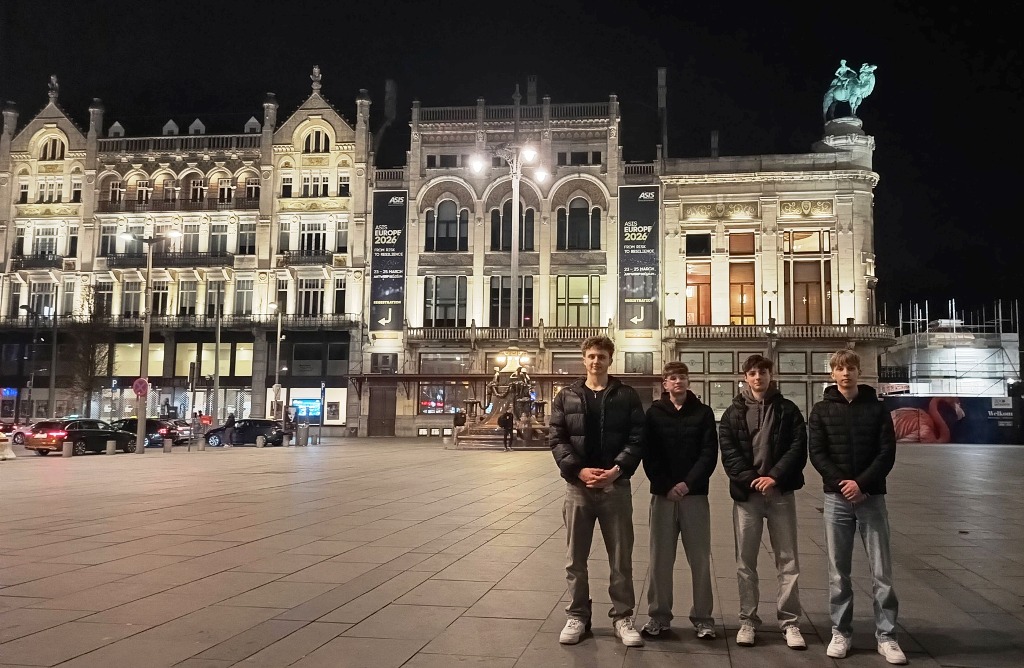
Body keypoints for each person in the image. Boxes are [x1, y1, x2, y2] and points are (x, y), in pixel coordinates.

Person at [808, 349, 906, 665]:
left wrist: (861, 484)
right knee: (838, 571)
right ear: (832, 373)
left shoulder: (877, 409)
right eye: (840, 368)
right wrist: (843, 484)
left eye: (850, 367)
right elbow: (817, 453)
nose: (845, 373)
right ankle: (841, 632)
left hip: (871, 497)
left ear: (858, 372)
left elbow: (886, 452)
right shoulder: (821, 410)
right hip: (836, 500)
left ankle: (887, 636)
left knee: (882, 571)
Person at [549, 335, 645, 648]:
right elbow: (557, 438)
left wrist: (617, 470)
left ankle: (622, 617)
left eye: (601, 356)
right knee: (575, 557)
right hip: (578, 488)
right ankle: (578, 615)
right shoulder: (566, 396)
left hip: (615, 486)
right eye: (591, 356)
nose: (595, 361)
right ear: (584, 359)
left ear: (609, 360)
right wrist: (578, 470)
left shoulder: (626, 395)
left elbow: (637, 437)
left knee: (621, 557)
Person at [719, 354, 808, 650]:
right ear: (745, 377)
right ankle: (748, 620)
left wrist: (774, 477)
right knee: (745, 561)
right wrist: (752, 480)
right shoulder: (732, 413)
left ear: (771, 375)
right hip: (747, 497)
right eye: (753, 373)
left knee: (788, 559)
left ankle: (790, 622)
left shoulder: (788, 410)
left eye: (763, 372)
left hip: (780, 493)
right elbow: (729, 453)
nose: (758, 377)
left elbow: (797, 449)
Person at [641, 362, 719, 640]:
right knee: (660, 559)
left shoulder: (703, 413)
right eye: (672, 378)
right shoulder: (653, 414)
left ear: (688, 381)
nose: (678, 382)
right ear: (665, 383)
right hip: (663, 495)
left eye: (682, 377)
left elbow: (709, 453)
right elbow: (649, 454)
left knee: (700, 559)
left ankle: (703, 618)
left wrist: (688, 484)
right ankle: (659, 616)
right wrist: (666, 485)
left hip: (694, 495)